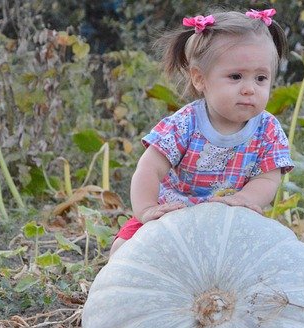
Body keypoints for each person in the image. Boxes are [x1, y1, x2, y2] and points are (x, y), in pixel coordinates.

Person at [110, 8, 294, 256]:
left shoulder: (268, 130)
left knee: (269, 258)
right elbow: (149, 169)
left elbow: (268, 178)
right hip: (171, 214)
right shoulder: (185, 123)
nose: (249, 88)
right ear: (200, 79)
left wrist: (245, 199)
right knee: (122, 250)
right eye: (236, 76)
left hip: (229, 220)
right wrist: (146, 210)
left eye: (261, 78)